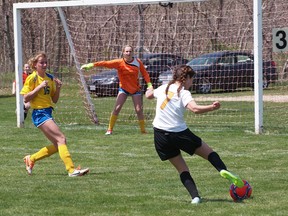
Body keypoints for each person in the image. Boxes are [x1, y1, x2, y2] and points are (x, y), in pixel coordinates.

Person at [145, 65, 244, 204]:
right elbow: (195, 109)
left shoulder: (163, 88)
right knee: (209, 153)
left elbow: (149, 95)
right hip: (179, 133)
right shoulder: (184, 93)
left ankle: (195, 197)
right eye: (192, 79)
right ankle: (222, 169)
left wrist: (149, 89)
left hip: (160, 135)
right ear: (186, 79)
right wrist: (212, 107)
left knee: (182, 169)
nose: (192, 83)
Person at [20, 52, 89, 177]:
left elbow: (54, 99)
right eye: (41, 62)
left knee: (58, 145)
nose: (45, 65)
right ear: (35, 64)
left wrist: (58, 88)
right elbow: (25, 98)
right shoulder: (32, 78)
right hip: (39, 113)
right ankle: (71, 170)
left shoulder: (50, 78)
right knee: (62, 139)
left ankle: (31, 159)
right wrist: (39, 87)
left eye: (46, 62)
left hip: (47, 112)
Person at [81, 45, 153, 135]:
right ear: (123, 53)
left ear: (132, 52)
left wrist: (149, 85)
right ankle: (109, 129)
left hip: (135, 89)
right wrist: (91, 65)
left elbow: (145, 74)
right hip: (123, 89)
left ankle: (143, 131)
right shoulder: (119, 62)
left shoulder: (137, 62)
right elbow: (105, 63)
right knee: (117, 108)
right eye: (126, 51)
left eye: (130, 51)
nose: (128, 53)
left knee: (138, 110)